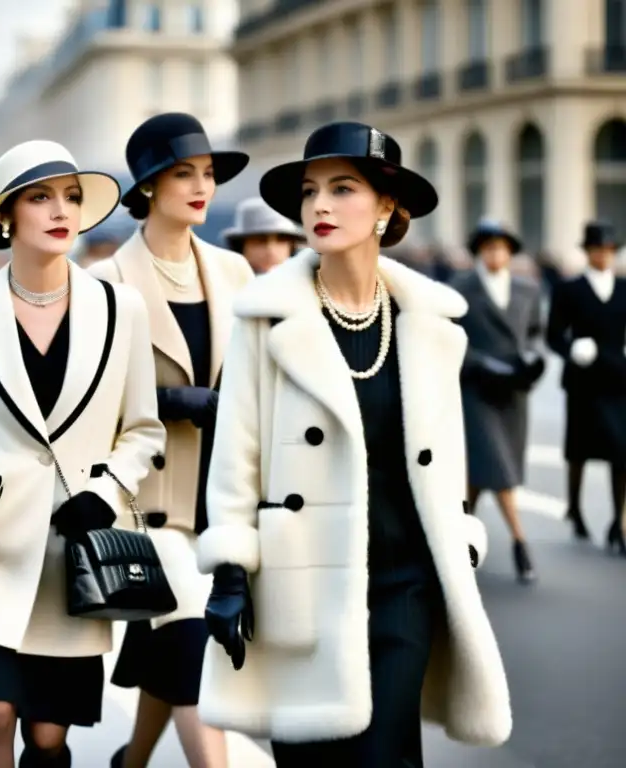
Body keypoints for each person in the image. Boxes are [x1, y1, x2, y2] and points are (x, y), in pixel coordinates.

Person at [196, 121, 512, 766]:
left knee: (384, 756)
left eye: (343, 189)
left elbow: (444, 461)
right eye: (311, 191)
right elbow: (237, 456)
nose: (320, 206)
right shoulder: (266, 318)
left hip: (406, 582)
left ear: (387, 209)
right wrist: (231, 571)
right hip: (300, 584)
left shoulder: (429, 322)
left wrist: (460, 538)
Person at [0, 140, 165, 768]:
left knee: (49, 736)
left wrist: (105, 493)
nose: (62, 210)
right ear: (7, 216)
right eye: (40, 197)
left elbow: (143, 431)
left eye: (73, 197)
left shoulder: (122, 309)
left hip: (73, 551)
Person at [89, 111, 252, 768]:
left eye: (208, 173)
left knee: (176, 654)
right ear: (150, 186)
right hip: (149, 506)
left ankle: (129, 765)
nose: (201, 185)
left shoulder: (236, 274)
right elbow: (87, 404)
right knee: (190, 652)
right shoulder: (105, 281)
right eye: (184, 173)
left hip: (226, 498)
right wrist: (168, 402)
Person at [450, 219, 545, 582]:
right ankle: (521, 544)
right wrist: (480, 363)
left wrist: (534, 357)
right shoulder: (461, 287)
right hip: (477, 391)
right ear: (478, 252)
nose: (496, 254)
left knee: (479, 474)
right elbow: (452, 335)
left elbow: (535, 333)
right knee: (499, 467)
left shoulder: (528, 288)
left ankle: (457, 539)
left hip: (513, 393)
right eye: (488, 247)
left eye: (502, 247)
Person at [546, 220, 626, 554]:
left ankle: (618, 522)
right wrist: (571, 350)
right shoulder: (570, 288)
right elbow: (553, 335)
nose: (603, 256)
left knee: (621, 451)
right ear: (588, 252)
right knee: (578, 448)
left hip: (618, 378)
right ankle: (575, 508)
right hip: (583, 380)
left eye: (608, 250)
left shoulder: (624, 288)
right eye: (597, 250)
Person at [222, 196, 306, 274]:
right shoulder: (222, 286)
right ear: (241, 246)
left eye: (281, 239)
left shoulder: (308, 286)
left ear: (292, 246)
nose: (270, 249)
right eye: (260, 240)